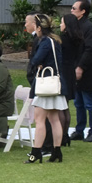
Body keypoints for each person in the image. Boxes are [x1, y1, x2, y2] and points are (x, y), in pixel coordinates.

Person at [24, 15, 68, 163]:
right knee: (54, 119)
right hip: (56, 83)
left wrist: (38, 64)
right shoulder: (55, 40)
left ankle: (36, 152)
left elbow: (36, 60)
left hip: (45, 85)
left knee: (40, 119)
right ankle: (56, 151)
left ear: (39, 27)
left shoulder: (45, 42)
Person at [69, 0, 92, 143]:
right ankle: (79, 130)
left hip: (87, 70)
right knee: (78, 102)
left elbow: (91, 49)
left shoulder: (88, 27)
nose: (71, 10)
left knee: (89, 102)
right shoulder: (75, 26)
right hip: (76, 67)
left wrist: (81, 67)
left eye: (74, 8)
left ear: (83, 11)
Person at [59, 14, 83, 144]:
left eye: (62, 23)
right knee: (65, 106)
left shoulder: (63, 39)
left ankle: (61, 136)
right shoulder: (77, 39)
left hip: (63, 72)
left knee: (60, 107)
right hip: (71, 72)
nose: (60, 25)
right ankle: (66, 135)